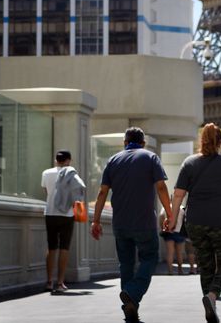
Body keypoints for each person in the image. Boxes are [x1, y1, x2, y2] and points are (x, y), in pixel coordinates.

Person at [168, 123, 221, 323]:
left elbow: (178, 196)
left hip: (196, 222)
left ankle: (209, 304)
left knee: (205, 265)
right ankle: (212, 296)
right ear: (220, 142)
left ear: (201, 140)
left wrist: (171, 219)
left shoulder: (189, 163)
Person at [90, 127, 173, 323]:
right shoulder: (150, 157)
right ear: (143, 143)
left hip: (120, 223)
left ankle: (130, 305)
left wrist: (95, 220)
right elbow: (161, 187)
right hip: (144, 222)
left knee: (126, 264)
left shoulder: (113, 160)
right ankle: (132, 294)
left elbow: (102, 193)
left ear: (125, 143)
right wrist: (170, 214)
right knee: (150, 258)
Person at [41, 150, 86, 293]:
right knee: (64, 248)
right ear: (68, 160)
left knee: (51, 246)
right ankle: (60, 283)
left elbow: (46, 192)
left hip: (50, 213)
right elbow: (78, 191)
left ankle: (49, 281)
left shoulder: (46, 173)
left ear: (56, 160)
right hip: (67, 214)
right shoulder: (72, 173)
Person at [159, 208, 188, 275]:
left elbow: (161, 217)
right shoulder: (181, 208)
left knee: (170, 252)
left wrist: (163, 228)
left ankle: (170, 271)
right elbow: (185, 219)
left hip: (169, 231)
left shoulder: (164, 208)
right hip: (179, 232)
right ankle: (180, 270)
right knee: (179, 253)